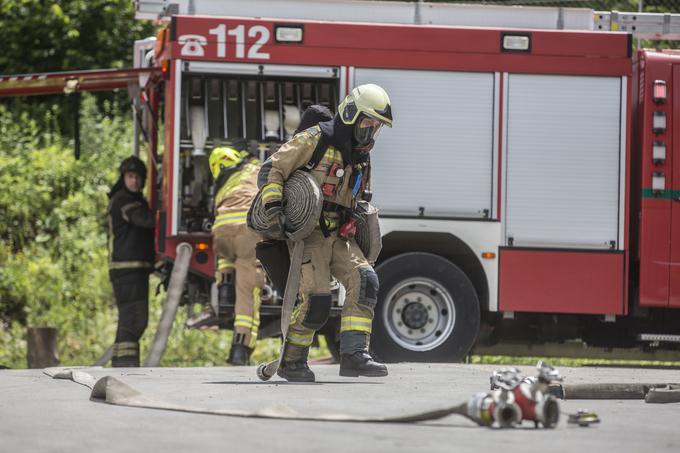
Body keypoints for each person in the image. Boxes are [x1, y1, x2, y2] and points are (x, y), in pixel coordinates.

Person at [256, 84, 393, 382]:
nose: (371, 133)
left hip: (339, 233)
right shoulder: (314, 139)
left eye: (376, 127)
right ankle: (292, 361)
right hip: (309, 233)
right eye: (367, 123)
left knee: (365, 279)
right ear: (350, 114)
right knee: (316, 301)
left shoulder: (360, 157)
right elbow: (272, 170)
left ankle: (355, 356)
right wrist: (275, 208)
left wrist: (356, 216)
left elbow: (359, 195)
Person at [209, 146, 264, 365]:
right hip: (247, 234)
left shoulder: (222, 185)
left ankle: (224, 288)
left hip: (221, 233)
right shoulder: (253, 168)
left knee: (224, 252)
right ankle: (240, 349)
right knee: (248, 293)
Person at [107, 156, 155, 367]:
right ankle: (126, 365)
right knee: (134, 318)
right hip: (127, 271)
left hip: (134, 270)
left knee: (132, 318)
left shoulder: (134, 200)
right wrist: (166, 215)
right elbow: (145, 220)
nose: (134, 181)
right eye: (130, 177)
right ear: (123, 178)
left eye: (138, 177)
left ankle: (121, 362)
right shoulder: (122, 200)